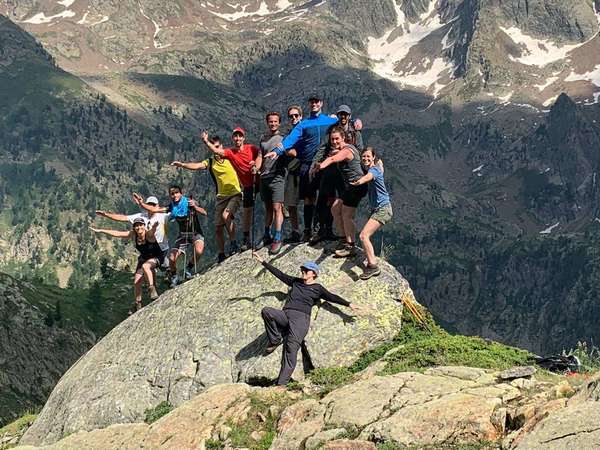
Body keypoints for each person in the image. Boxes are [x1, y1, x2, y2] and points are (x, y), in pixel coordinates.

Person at [252, 251, 365, 386]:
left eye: (307, 270)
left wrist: (349, 304)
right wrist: (263, 262)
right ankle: (275, 339)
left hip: (301, 320)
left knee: (290, 349)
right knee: (267, 311)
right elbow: (279, 274)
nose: (303, 271)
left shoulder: (318, 289)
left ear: (314, 274)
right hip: (286, 315)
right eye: (303, 269)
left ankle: (281, 384)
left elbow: (332, 297)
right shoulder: (295, 282)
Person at [265, 92, 339, 243]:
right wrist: (278, 151)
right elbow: (291, 139)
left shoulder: (330, 121)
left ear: (321, 103)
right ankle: (307, 231)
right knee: (308, 198)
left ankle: (327, 230)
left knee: (328, 198)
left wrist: (356, 122)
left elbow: (344, 122)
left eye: (316, 101)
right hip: (307, 164)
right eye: (311, 102)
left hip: (326, 164)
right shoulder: (304, 124)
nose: (314, 104)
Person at [171, 136, 242, 263]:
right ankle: (221, 254)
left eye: (218, 146)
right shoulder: (210, 161)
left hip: (235, 193)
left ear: (222, 147)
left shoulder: (230, 156)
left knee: (226, 216)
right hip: (221, 197)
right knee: (218, 228)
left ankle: (233, 243)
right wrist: (182, 165)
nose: (216, 149)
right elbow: (197, 166)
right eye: (214, 147)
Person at [134, 186, 207, 287]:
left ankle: (189, 269)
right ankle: (174, 276)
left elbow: (204, 212)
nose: (174, 195)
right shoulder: (171, 207)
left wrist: (194, 206)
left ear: (181, 193)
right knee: (172, 259)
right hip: (183, 235)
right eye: (172, 194)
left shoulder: (189, 202)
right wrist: (142, 203)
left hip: (196, 233)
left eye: (176, 193)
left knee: (198, 251)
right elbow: (155, 209)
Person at [202, 128, 260, 251]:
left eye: (240, 136)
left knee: (270, 205)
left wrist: (256, 165)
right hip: (248, 185)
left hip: (259, 179)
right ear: (233, 138)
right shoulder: (230, 152)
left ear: (243, 137)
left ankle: (269, 234)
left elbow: (261, 154)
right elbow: (217, 151)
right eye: (235, 136)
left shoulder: (252, 148)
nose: (238, 138)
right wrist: (206, 142)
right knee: (248, 211)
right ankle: (246, 239)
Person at [315, 126, 367, 258]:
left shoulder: (347, 150)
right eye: (332, 139)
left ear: (343, 137)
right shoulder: (341, 149)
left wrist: (320, 166)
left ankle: (350, 246)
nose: (334, 141)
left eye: (337, 138)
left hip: (357, 185)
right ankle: (343, 239)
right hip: (350, 187)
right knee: (335, 208)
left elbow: (333, 159)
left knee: (346, 215)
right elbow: (334, 155)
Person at [90, 218, 163, 312]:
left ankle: (152, 289)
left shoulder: (148, 234)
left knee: (146, 266)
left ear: (144, 226)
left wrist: (154, 227)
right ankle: (138, 303)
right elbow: (117, 233)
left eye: (140, 225)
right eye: (136, 225)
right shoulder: (133, 234)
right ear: (134, 228)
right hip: (144, 258)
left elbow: (152, 231)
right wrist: (101, 230)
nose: (139, 227)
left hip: (156, 257)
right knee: (137, 282)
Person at [350, 147, 393, 279]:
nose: (366, 159)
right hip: (380, 209)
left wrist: (358, 182)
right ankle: (371, 259)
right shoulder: (376, 168)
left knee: (363, 236)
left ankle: (373, 266)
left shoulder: (374, 171)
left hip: (383, 209)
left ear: (373, 157)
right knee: (366, 236)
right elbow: (378, 168)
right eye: (364, 157)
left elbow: (369, 176)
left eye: (368, 156)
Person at [256, 112, 294, 255]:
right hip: (264, 177)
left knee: (277, 207)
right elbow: (260, 155)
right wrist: (256, 167)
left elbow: (290, 153)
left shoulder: (283, 138)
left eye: (275, 121)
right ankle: (267, 235)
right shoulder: (263, 138)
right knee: (268, 208)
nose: (273, 124)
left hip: (277, 177)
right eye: (270, 121)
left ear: (279, 123)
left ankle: (277, 237)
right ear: (267, 123)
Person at [95, 195, 170, 255]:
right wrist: (106, 215)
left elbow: (177, 214)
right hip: (148, 249)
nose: (151, 206)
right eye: (149, 204)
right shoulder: (140, 216)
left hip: (162, 248)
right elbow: (123, 218)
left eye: (153, 205)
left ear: (158, 206)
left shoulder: (163, 216)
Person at [283, 105, 303, 243]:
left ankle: (311, 230)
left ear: (301, 116)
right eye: (291, 116)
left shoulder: (307, 129)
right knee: (291, 203)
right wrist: (290, 151)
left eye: (296, 115)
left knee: (310, 201)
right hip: (293, 171)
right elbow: (284, 148)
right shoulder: (289, 133)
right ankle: (296, 232)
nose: (294, 118)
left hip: (306, 170)